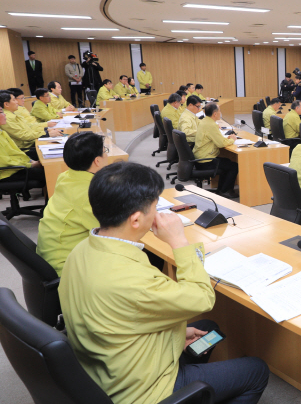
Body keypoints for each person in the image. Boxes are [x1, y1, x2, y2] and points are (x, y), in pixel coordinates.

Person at [59, 162, 268, 404]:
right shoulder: (133, 280)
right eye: (155, 206)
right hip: (139, 390)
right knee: (256, 370)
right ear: (136, 219)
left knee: (206, 328)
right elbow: (202, 298)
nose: (158, 212)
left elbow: (129, 313)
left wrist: (177, 334)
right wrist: (179, 242)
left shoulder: (82, 249)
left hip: (106, 364)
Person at [36, 132, 108, 276]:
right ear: (97, 161)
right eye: (105, 151)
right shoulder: (89, 194)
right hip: (68, 268)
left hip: (51, 256)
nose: (107, 154)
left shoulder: (66, 177)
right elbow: (113, 232)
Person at [193, 102, 239, 199]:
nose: (220, 112)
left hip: (200, 157)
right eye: (219, 111)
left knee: (227, 162)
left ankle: (222, 189)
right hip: (205, 160)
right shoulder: (211, 125)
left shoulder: (205, 121)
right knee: (233, 166)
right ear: (215, 114)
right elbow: (221, 143)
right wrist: (232, 139)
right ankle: (225, 190)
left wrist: (227, 139)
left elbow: (218, 139)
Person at [0, 91, 61, 159]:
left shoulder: (15, 113)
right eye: (14, 100)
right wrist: (46, 134)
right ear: (6, 104)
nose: (17, 102)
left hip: (31, 142)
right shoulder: (6, 118)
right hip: (25, 149)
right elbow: (23, 135)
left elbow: (29, 127)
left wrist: (46, 129)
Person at [0, 102, 46, 186]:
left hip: (16, 167)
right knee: (47, 172)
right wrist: (30, 165)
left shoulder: (2, 133)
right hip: (7, 173)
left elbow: (16, 152)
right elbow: (6, 162)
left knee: (46, 168)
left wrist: (31, 161)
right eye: (1, 112)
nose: (5, 115)